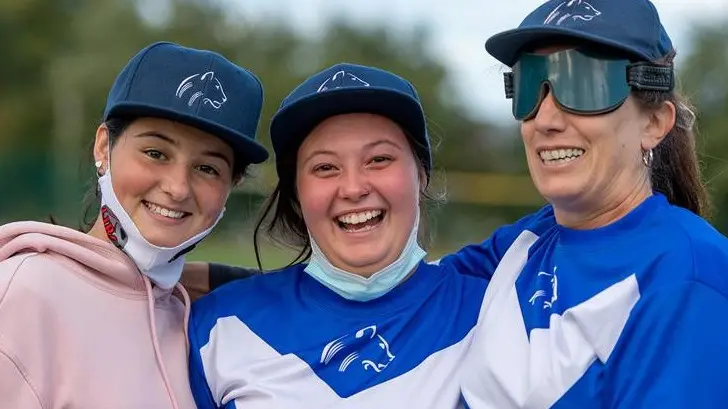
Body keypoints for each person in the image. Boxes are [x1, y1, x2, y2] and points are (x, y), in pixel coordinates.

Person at [456, 0, 728, 407]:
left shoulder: (687, 274)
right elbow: (398, 305)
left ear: (653, 124)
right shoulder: (521, 246)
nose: (546, 119)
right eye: (530, 84)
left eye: (583, 84)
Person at [187, 62, 490, 408]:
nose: (353, 187)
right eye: (325, 167)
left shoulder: (497, 310)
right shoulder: (219, 325)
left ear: (421, 175)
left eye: (378, 159)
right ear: (297, 194)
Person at [0, 41, 268, 409]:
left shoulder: (196, 319)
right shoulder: (22, 294)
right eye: (155, 153)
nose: (177, 188)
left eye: (207, 168)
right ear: (102, 147)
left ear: (231, 186)